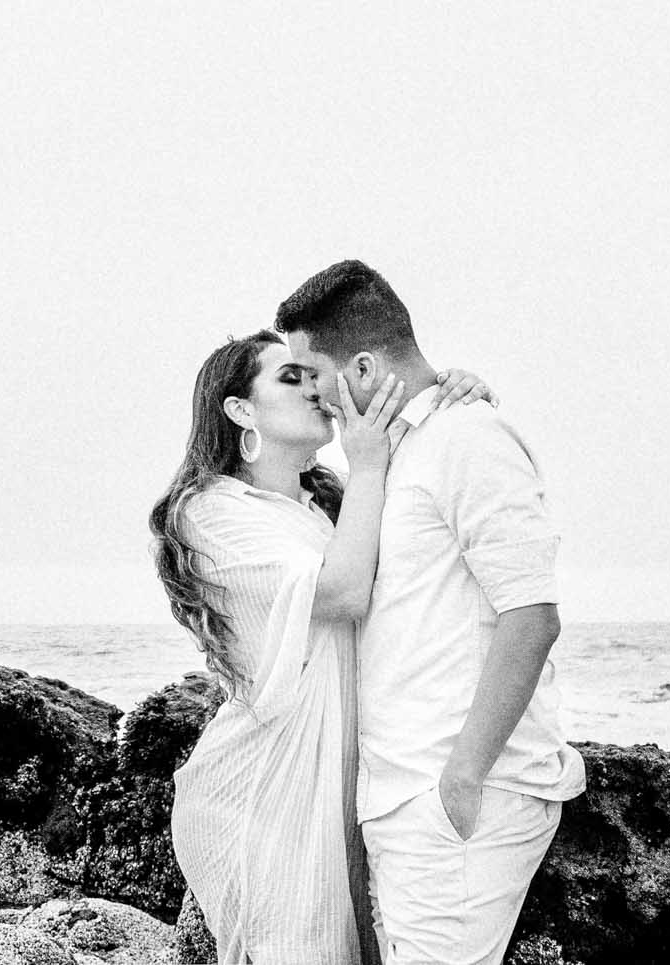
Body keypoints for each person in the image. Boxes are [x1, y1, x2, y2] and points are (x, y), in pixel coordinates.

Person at [150, 330, 492, 965]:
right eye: (290, 378)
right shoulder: (209, 512)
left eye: (314, 374)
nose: (314, 387)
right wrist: (368, 465)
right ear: (240, 410)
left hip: (356, 778)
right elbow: (341, 593)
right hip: (266, 790)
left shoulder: (330, 507)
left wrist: (446, 401)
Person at [277, 261, 583, 965]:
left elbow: (532, 615)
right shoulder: (392, 454)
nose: (311, 392)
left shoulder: (469, 438)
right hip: (400, 798)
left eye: (313, 373)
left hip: (454, 802)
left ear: (361, 366)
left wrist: (461, 782)